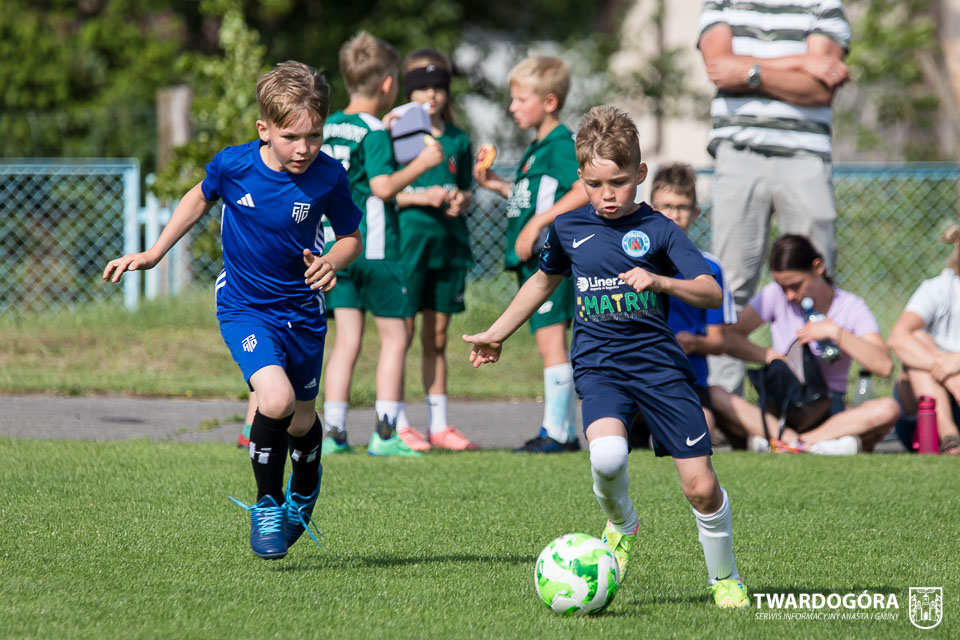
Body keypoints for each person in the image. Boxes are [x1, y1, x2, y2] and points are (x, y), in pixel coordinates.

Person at [464, 105, 749, 608]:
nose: (608, 195)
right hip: (600, 367)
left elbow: (710, 291)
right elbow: (541, 282)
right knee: (608, 456)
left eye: (618, 182)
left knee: (701, 488)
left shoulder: (660, 229)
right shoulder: (568, 228)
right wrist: (498, 332)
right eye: (595, 185)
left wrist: (660, 281)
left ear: (640, 174)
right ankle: (622, 523)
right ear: (582, 179)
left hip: (660, 370)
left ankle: (725, 578)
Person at [103, 61, 363, 559]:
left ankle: (304, 486)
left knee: (302, 421)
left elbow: (351, 237)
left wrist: (332, 261)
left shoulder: (329, 175)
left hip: (302, 312)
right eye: (291, 137)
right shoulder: (234, 166)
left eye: (314, 135)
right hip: (245, 306)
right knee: (275, 400)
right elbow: (197, 198)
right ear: (264, 130)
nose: (304, 148)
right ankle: (267, 504)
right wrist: (155, 252)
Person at [697, 0, 851, 395]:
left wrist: (747, 71)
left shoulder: (823, 4)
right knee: (729, 283)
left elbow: (819, 88)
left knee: (815, 281)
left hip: (805, 155)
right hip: (738, 152)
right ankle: (725, 402)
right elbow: (718, 66)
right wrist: (804, 62)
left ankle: (816, 399)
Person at [319, 32, 444, 458]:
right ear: (389, 84)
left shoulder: (329, 126)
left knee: (346, 341)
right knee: (395, 338)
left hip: (336, 249)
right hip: (375, 247)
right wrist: (424, 162)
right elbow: (383, 187)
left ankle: (334, 432)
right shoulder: (374, 131)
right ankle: (386, 434)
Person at [472, 55, 590, 453]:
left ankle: (558, 433)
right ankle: (559, 431)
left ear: (549, 102)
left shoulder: (560, 145)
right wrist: (498, 186)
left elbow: (583, 189)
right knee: (546, 342)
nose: (513, 107)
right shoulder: (537, 148)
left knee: (552, 343)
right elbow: (534, 198)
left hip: (552, 261)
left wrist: (539, 223)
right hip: (533, 263)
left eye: (522, 99)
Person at [710, 234, 899, 454]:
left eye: (795, 286)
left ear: (817, 267)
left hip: (828, 411)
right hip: (780, 406)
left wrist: (836, 333)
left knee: (888, 408)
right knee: (714, 394)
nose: (789, 296)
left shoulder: (850, 307)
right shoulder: (774, 295)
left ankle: (793, 442)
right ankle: (811, 444)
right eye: (783, 287)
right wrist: (769, 355)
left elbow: (884, 366)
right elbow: (727, 336)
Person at [391, 48, 478, 451]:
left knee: (437, 337)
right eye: (421, 87)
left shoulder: (458, 139)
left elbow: (467, 189)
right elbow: (384, 191)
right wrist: (420, 197)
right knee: (401, 335)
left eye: (438, 86)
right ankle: (396, 422)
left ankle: (439, 425)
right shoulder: (396, 136)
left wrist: (461, 198)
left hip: (448, 247)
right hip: (408, 247)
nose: (431, 94)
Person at [629, 162, 736, 447]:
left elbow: (719, 342)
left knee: (702, 431)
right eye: (666, 206)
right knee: (615, 436)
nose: (674, 215)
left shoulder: (710, 269)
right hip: (640, 375)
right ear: (651, 209)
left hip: (688, 380)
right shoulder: (634, 262)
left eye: (682, 207)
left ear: (696, 212)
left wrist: (693, 342)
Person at [886, 226, 960, 455]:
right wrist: (948, 373)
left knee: (919, 342)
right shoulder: (940, 288)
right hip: (925, 412)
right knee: (917, 339)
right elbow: (897, 339)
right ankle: (949, 436)